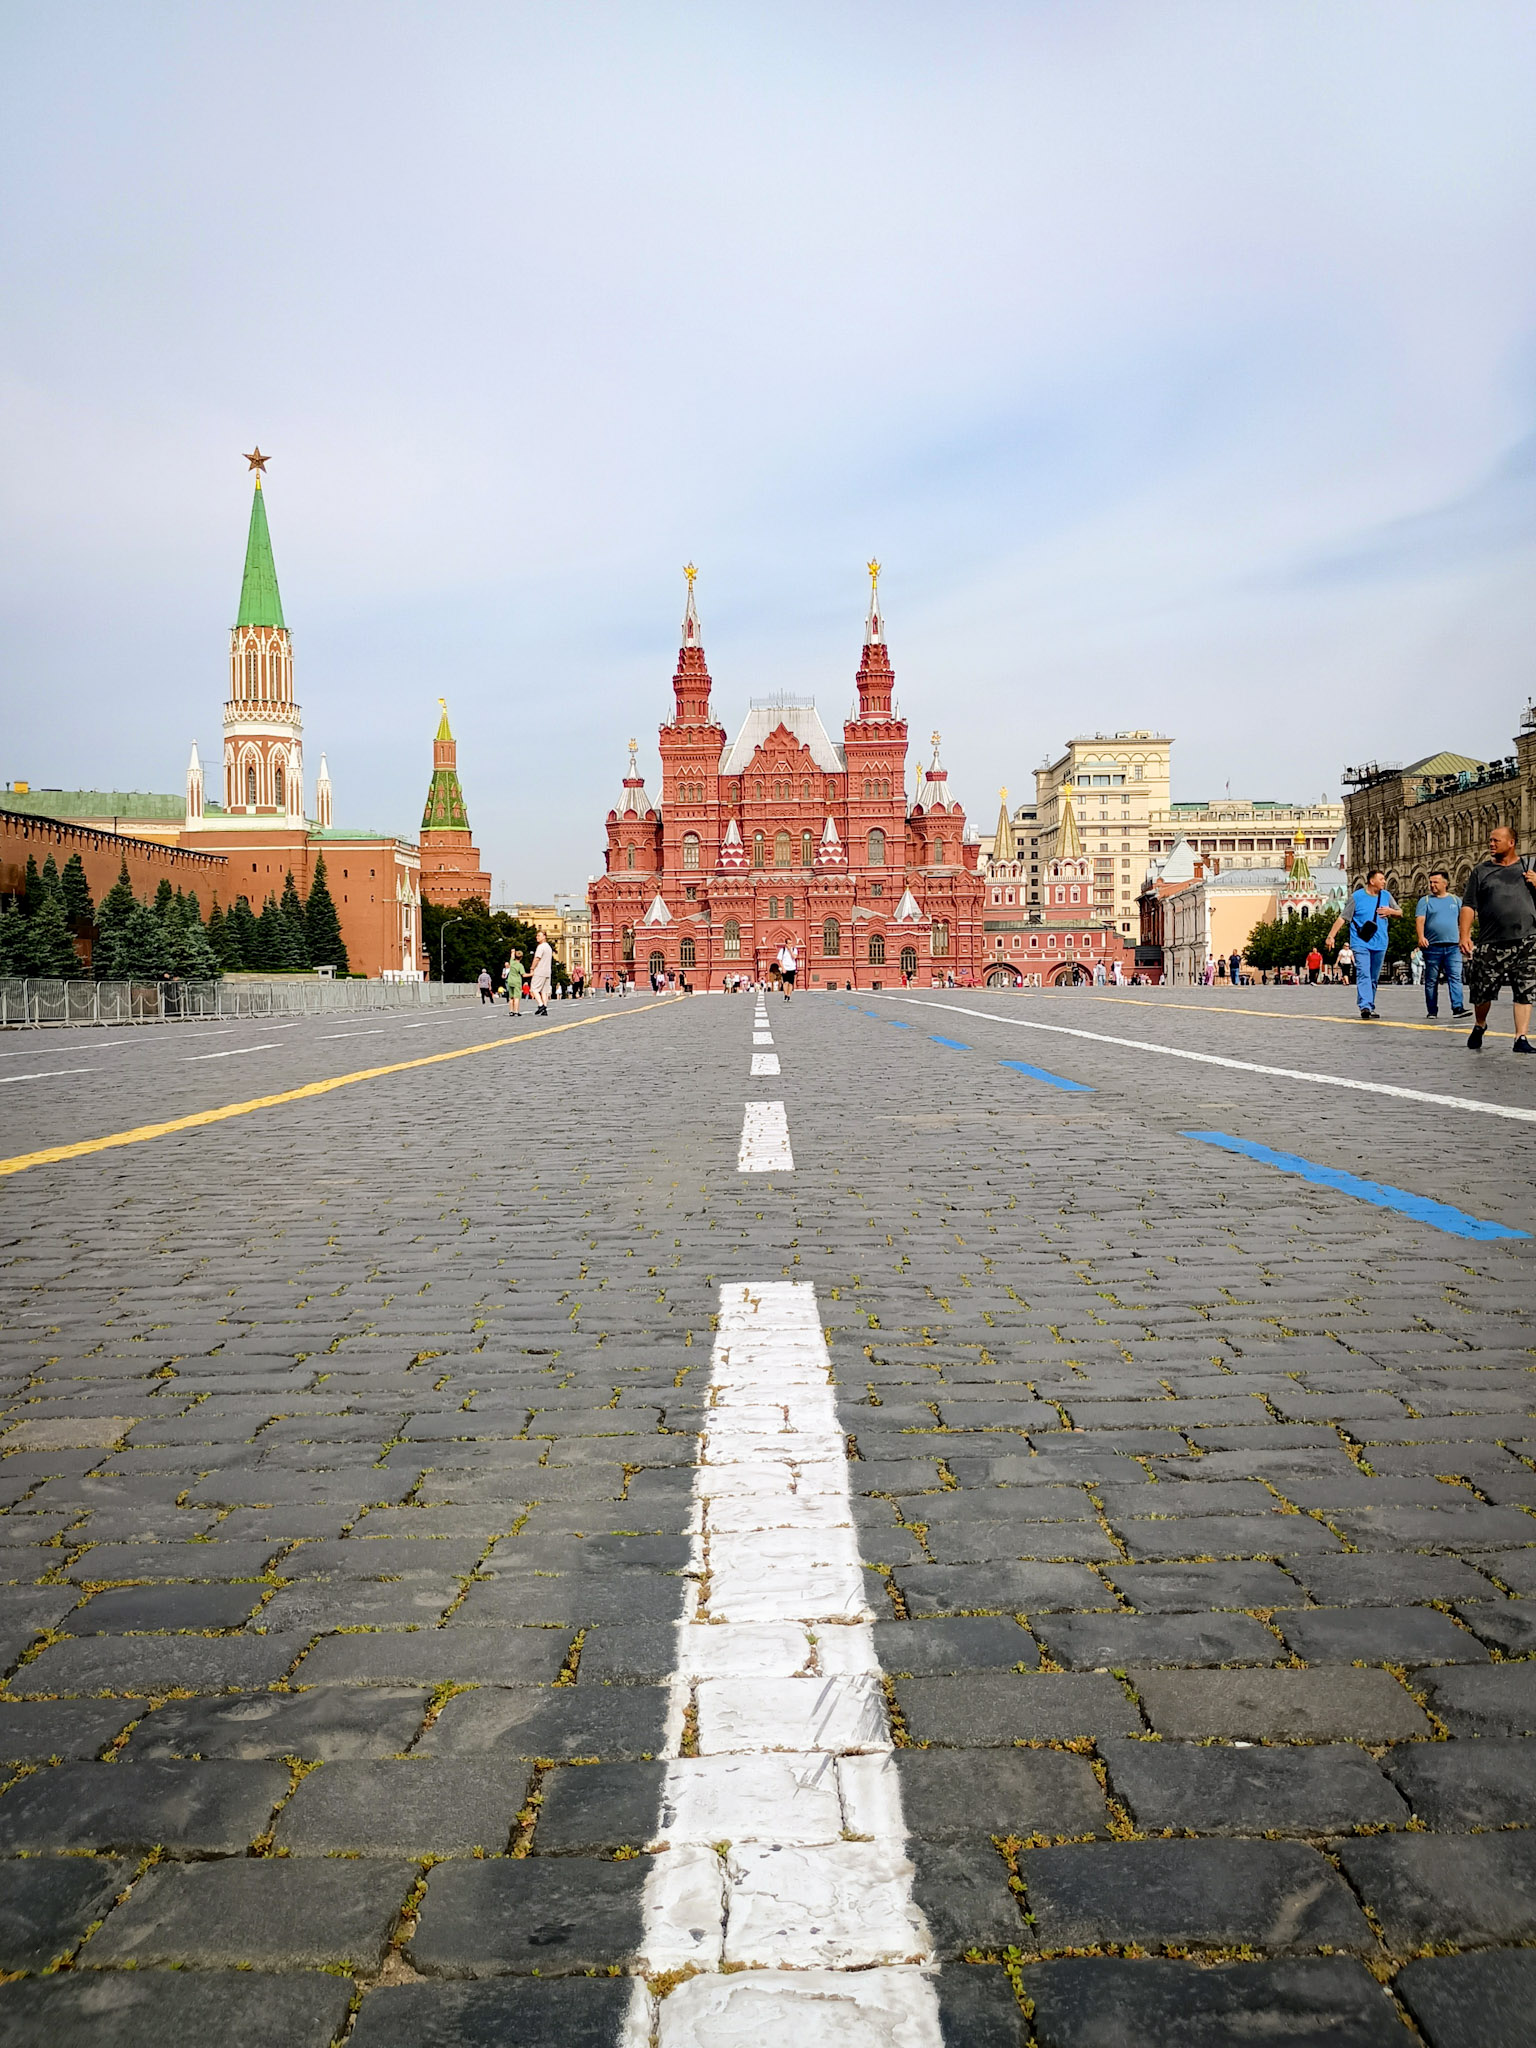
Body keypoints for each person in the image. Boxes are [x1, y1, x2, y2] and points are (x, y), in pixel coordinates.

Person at [1461, 822, 1536, 1054]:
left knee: (1525, 989)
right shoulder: (1481, 871)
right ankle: (1480, 1024)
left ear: (1511, 843)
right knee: (1482, 991)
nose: (1491, 844)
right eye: (1490, 840)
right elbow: (1468, 906)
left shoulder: (1529, 866)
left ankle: (1520, 1037)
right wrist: (1464, 935)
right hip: (1490, 941)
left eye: (1496, 840)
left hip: (1527, 939)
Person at [1326, 868, 1400, 1019]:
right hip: (1360, 942)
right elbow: (1343, 918)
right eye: (1381, 879)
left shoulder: (1386, 896)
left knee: (1373, 976)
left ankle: (1369, 1005)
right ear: (1372, 881)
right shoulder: (1356, 897)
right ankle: (1365, 1006)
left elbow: (1400, 912)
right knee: (1363, 973)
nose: (1384, 882)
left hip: (1380, 942)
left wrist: (1390, 912)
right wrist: (1331, 936)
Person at [1416, 869, 1469, 1023]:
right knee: (1431, 980)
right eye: (1430, 882)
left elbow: (1464, 920)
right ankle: (1432, 1010)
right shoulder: (1424, 901)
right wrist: (1421, 937)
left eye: (1435, 882)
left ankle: (1458, 1007)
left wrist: (1466, 938)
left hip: (1453, 946)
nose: (1432, 885)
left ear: (1445, 884)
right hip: (1432, 947)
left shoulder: (1455, 900)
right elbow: (1420, 920)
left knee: (1455, 977)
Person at [530, 929, 554, 1016]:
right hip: (548, 971)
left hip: (540, 970)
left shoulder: (540, 947)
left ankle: (541, 1005)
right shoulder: (549, 947)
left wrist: (532, 967)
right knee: (545, 991)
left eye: (539, 936)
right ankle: (545, 1009)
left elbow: (537, 958)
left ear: (544, 937)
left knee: (534, 989)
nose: (537, 937)